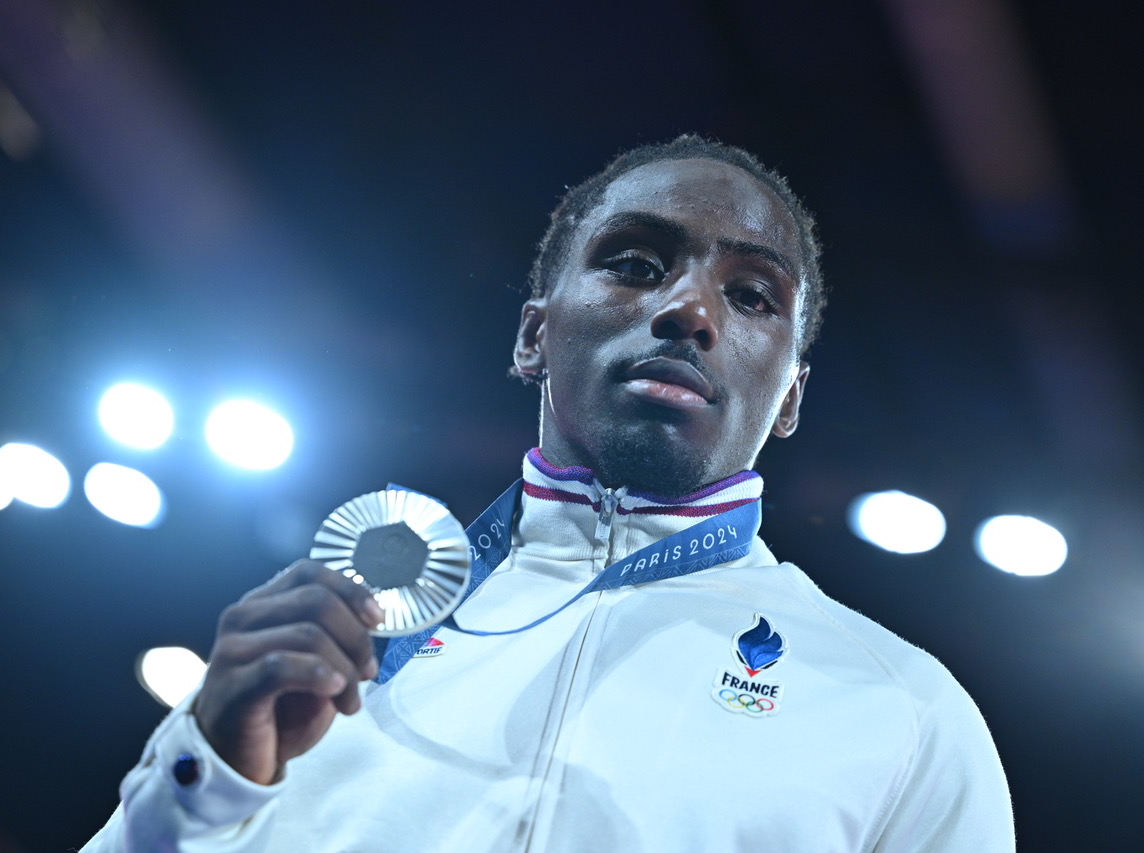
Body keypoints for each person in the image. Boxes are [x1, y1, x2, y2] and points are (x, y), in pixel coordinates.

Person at [82, 135, 1014, 851]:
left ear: (790, 400)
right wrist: (204, 775)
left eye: (753, 295)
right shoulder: (330, 647)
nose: (690, 311)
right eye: (637, 264)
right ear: (533, 337)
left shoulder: (902, 712)